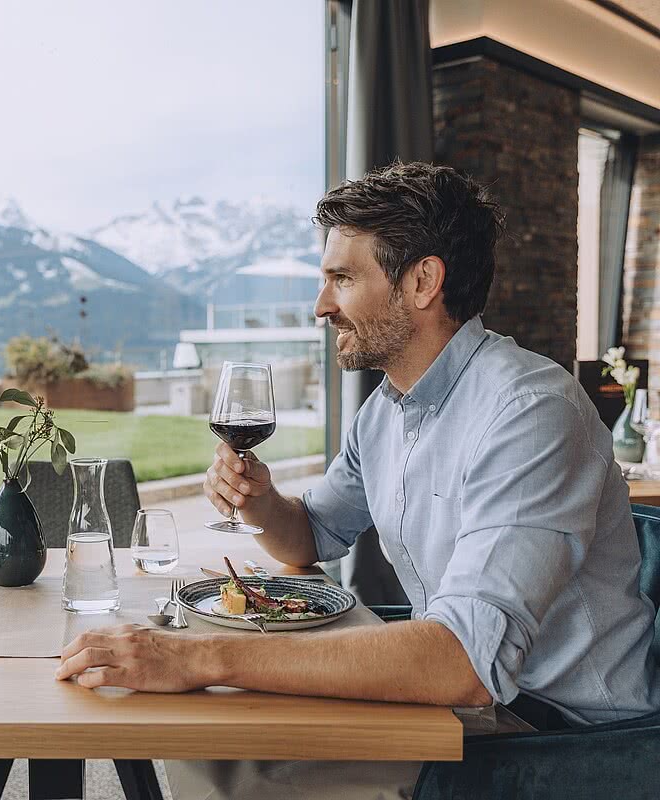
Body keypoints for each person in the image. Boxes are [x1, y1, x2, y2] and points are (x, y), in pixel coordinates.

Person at [55, 162, 660, 799]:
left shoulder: (529, 412)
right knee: (219, 740)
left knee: (243, 764)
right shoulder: (385, 410)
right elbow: (312, 534)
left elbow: (465, 661)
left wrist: (197, 659)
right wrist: (260, 503)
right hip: (470, 703)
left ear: (424, 280)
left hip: (560, 735)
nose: (321, 306)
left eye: (342, 278)